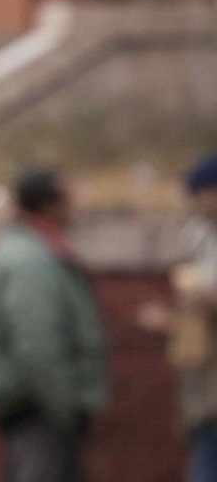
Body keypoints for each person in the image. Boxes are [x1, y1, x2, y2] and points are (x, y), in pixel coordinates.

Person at [0, 168, 107, 482]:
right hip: (38, 406)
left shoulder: (18, 249)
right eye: (68, 199)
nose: (75, 207)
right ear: (50, 205)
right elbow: (36, 341)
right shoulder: (33, 260)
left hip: (29, 401)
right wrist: (65, 405)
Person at [136, 154, 217, 482]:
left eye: (198, 195)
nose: (194, 205)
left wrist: (204, 296)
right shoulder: (204, 238)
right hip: (206, 389)